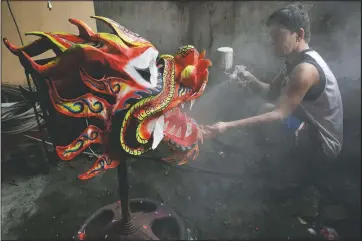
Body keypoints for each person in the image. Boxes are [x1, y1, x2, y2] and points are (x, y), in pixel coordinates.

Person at [203, 4, 344, 225]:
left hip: (323, 144)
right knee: (265, 109)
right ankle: (279, 164)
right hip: (306, 124)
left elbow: (279, 113)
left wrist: (226, 126)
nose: (272, 42)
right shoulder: (293, 61)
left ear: (299, 35)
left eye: (278, 36)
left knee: (270, 115)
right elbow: (270, 91)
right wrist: (247, 78)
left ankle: (294, 179)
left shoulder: (306, 70)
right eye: (271, 36)